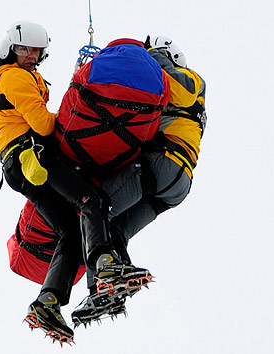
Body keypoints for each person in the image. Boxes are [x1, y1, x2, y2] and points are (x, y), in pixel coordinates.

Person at [0, 22, 152, 345]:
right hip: (35, 158)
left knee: (69, 230)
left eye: (37, 50)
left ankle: (47, 303)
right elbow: (42, 123)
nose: (33, 55)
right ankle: (104, 263)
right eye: (26, 49)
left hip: (19, 166)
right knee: (91, 201)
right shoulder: (15, 77)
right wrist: (73, 107)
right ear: (12, 49)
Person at [71, 35, 207, 327]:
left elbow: (180, 91)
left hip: (163, 165)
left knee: (94, 207)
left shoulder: (192, 81)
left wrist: (148, 56)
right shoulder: (171, 97)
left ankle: (102, 282)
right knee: (115, 228)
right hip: (175, 182)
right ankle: (108, 290)